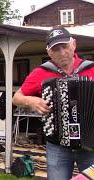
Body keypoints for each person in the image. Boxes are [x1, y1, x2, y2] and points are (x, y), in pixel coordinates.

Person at [12, 27, 94, 180]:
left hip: (90, 143)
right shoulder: (41, 72)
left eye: (65, 46)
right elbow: (16, 98)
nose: (62, 52)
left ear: (74, 44)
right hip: (58, 144)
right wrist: (31, 101)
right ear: (48, 52)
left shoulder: (91, 68)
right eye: (56, 49)